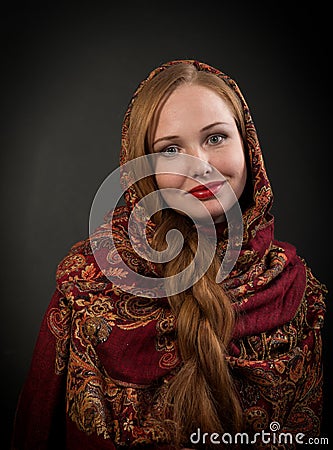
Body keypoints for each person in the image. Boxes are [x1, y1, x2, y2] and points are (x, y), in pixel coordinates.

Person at [12, 60, 327, 449]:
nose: (201, 166)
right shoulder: (88, 288)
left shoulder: (300, 294)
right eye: (172, 149)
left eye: (216, 138)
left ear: (249, 146)